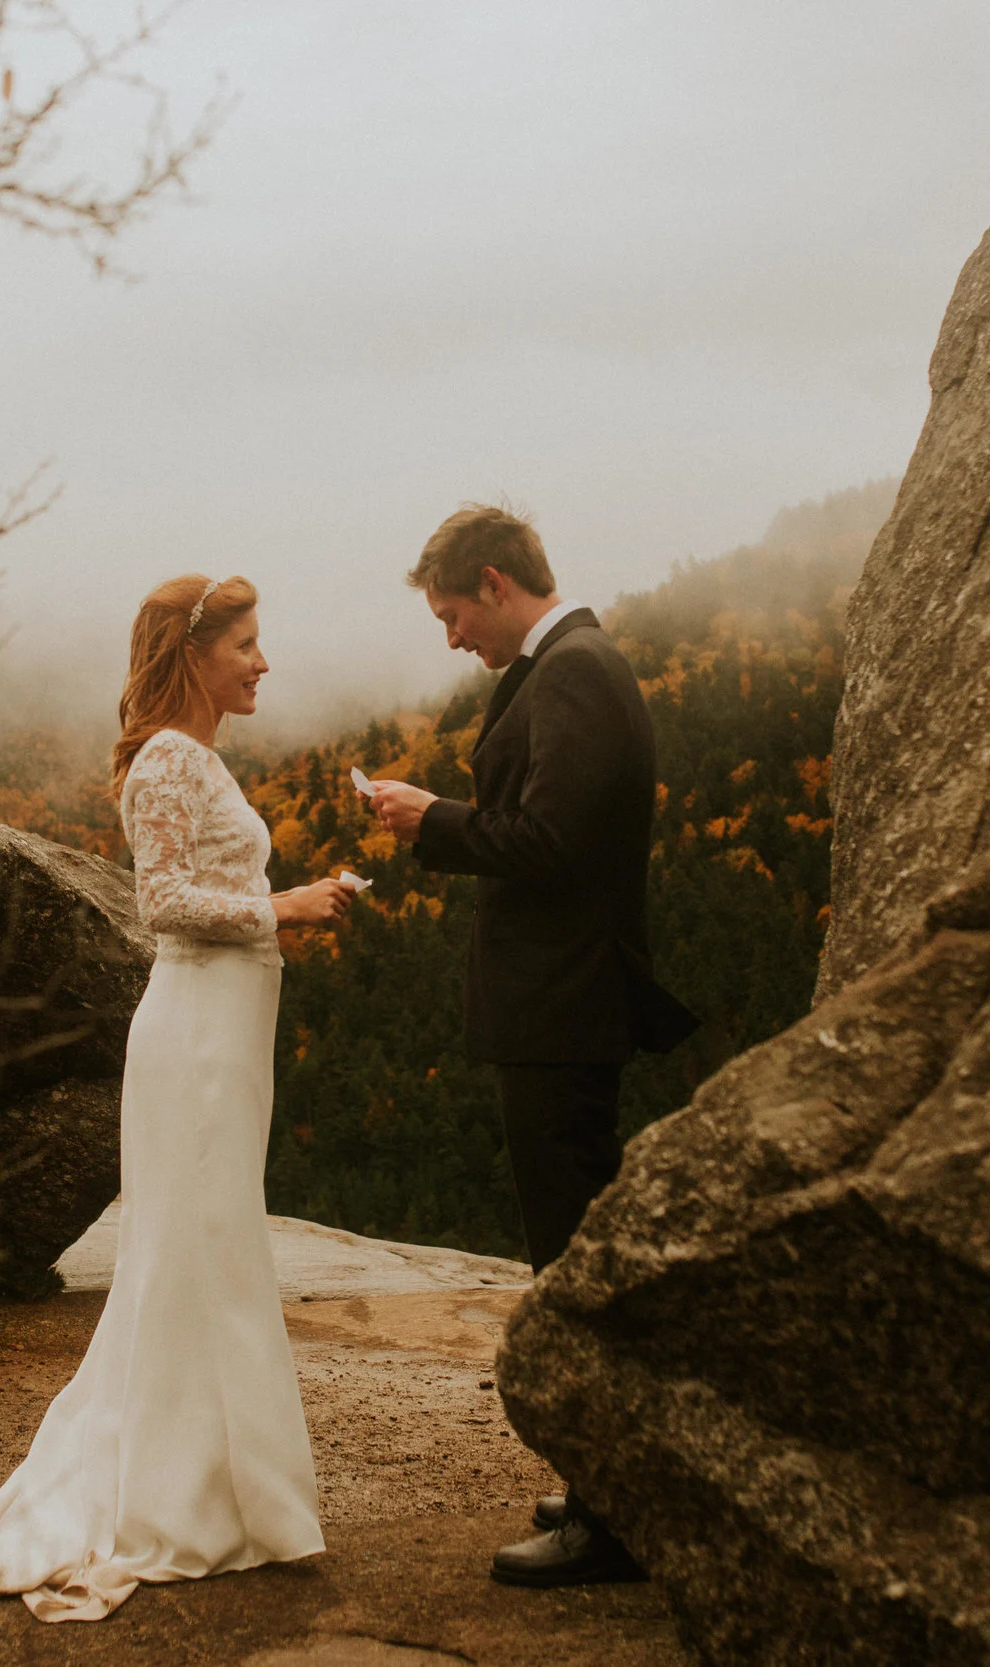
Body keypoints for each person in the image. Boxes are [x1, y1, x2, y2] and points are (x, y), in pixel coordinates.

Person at [0, 574, 360, 1621]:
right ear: (194, 652)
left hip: (225, 1029)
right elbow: (162, 901)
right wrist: (284, 901)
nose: (262, 661)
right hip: (193, 1032)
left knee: (213, 1244)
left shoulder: (198, 759)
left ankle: (226, 1486)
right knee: (195, 1245)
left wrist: (280, 910)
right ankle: (190, 1492)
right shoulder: (164, 758)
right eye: (246, 642)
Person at [365, 503, 696, 1589]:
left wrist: (432, 821)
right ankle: (608, 1483)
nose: (453, 637)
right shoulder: (568, 668)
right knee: (568, 1258)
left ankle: (612, 1517)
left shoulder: (576, 671)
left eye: (456, 614)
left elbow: (551, 839)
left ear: (498, 584)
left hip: (563, 1011)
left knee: (570, 1268)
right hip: (555, 1008)